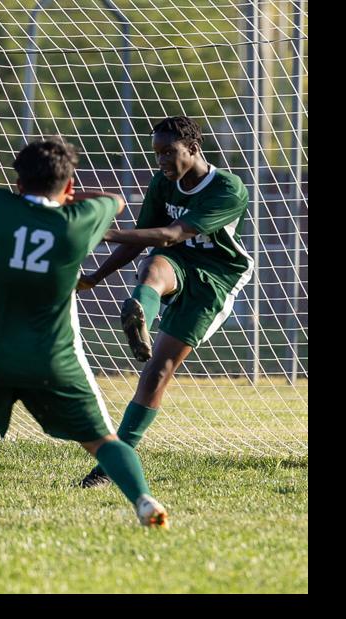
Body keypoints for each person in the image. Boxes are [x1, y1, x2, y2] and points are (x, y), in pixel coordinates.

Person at [0, 138, 169, 530]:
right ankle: (143, 500)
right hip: (54, 358)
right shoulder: (79, 219)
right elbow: (115, 200)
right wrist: (67, 194)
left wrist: (39, 190)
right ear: (68, 188)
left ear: (18, 183)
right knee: (103, 441)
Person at [75, 116, 250, 489]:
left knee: (158, 372)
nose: (162, 162)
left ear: (193, 148)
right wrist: (94, 277)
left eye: (168, 152)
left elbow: (171, 234)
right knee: (152, 265)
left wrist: (104, 231)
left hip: (215, 279)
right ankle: (140, 318)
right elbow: (142, 241)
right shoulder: (163, 183)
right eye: (157, 155)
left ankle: (113, 466)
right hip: (177, 263)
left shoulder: (227, 188)